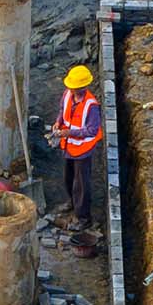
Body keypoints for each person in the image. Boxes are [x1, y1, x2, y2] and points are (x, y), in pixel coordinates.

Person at [50, 65, 104, 227]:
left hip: (82, 149)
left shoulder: (91, 105)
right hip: (68, 146)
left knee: (81, 184)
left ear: (83, 87)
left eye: (75, 88)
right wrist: (58, 122)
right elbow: (62, 110)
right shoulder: (68, 95)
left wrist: (68, 133)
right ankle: (71, 202)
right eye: (71, 88)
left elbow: (92, 130)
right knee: (68, 177)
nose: (72, 91)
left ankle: (83, 218)